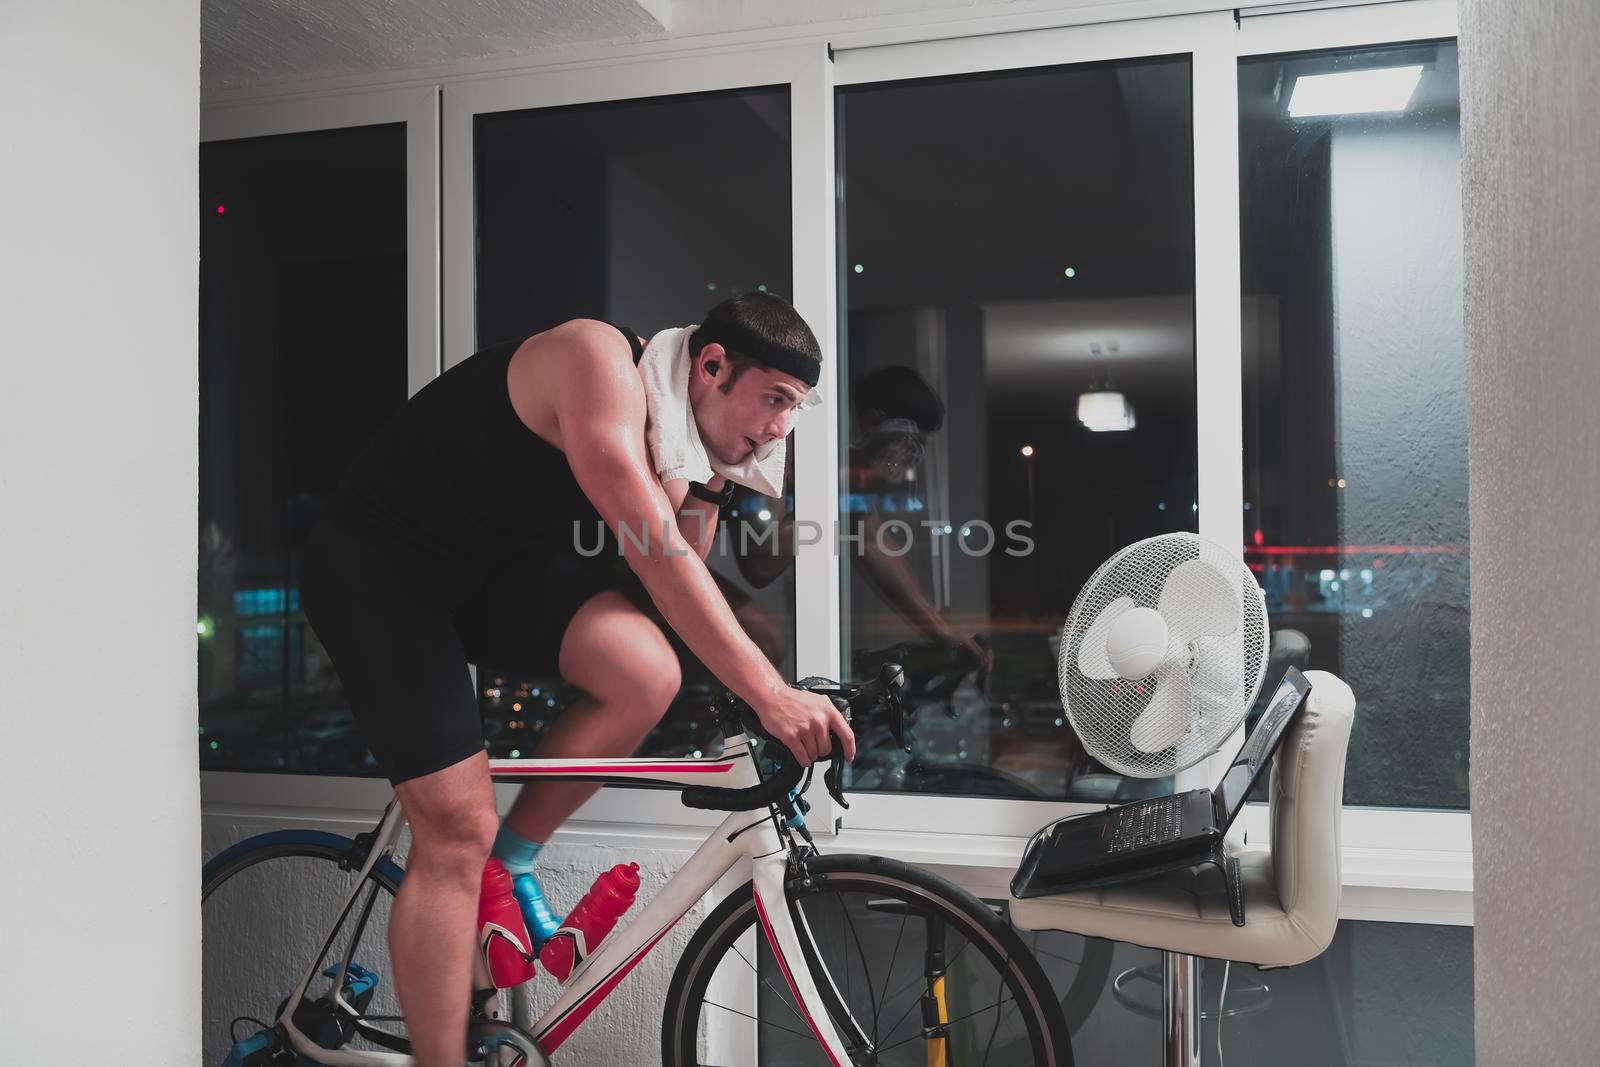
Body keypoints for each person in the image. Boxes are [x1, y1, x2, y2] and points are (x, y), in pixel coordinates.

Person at [299, 292, 855, 1067]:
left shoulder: (690, 443)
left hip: (482, 580)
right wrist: (770, 692)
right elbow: (656, 556)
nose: (779, 429)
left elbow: (667, 579)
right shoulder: (597, 363)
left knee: (645, 670)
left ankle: (512, 860)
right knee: (455, 830)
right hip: (379, 573)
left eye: (794, 410)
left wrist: (719, 477)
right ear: (712, 365)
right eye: (774, 401)